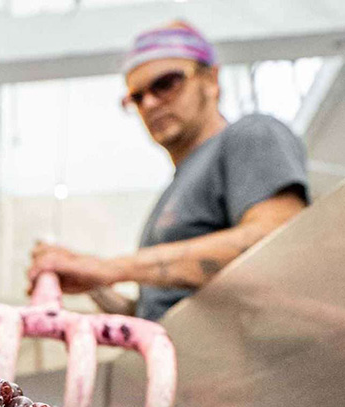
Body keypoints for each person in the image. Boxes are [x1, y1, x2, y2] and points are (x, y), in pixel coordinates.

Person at [27, 21, 309, 321]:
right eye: (137, 97)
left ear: (211, 80)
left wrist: (110, 268)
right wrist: (94, 282)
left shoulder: (251, 135)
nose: (149, 103)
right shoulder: (172, 193)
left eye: (166, 83)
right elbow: (160, 313)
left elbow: (279, 244)